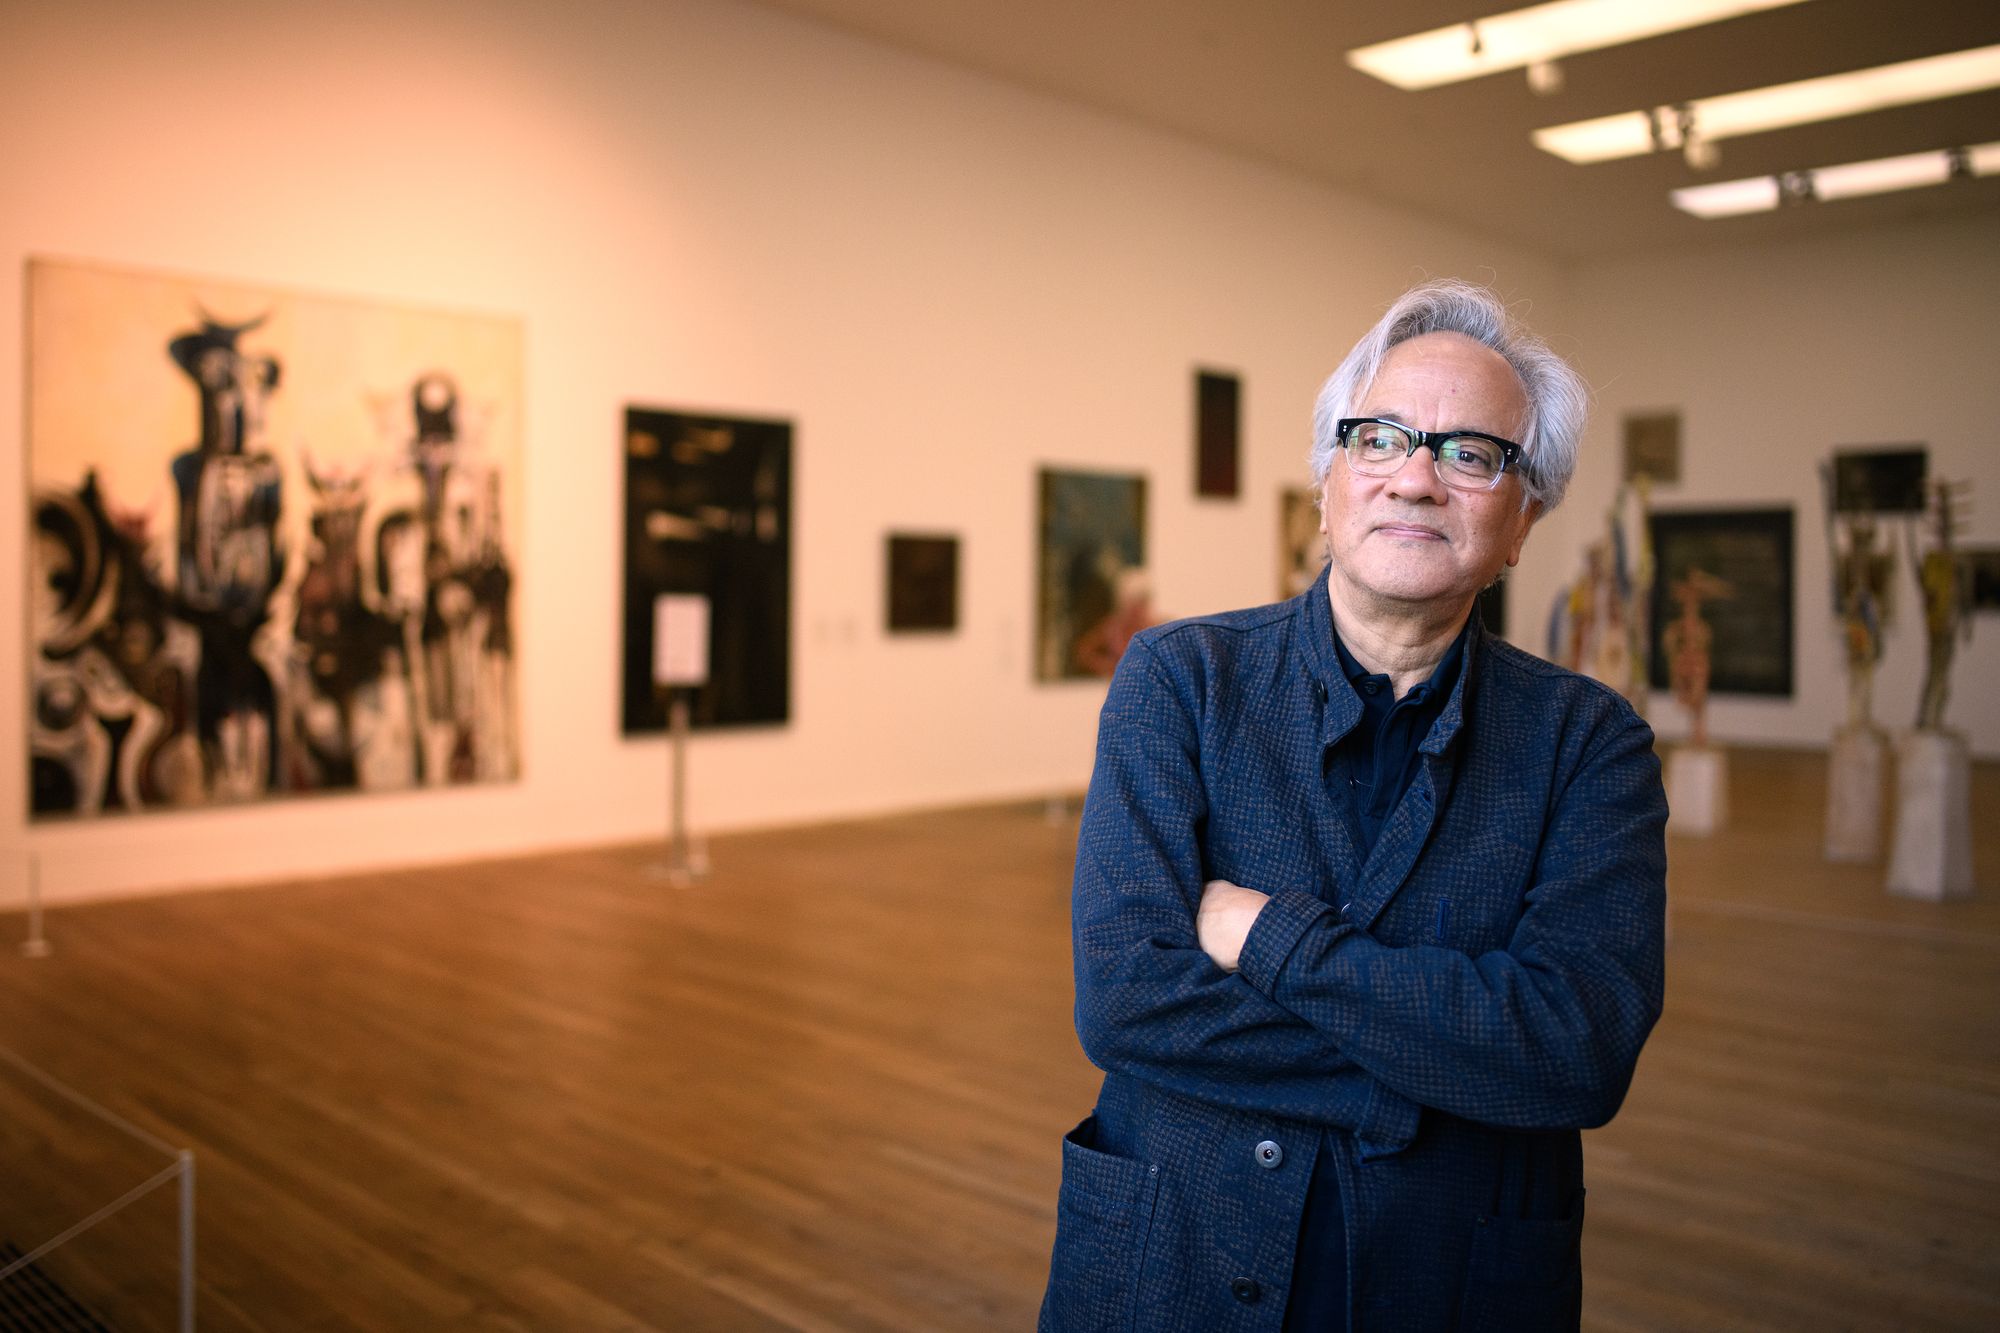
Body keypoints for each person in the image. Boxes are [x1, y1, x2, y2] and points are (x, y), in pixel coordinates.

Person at [1040, 279, 1667, 1332]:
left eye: (1469, 454)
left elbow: (1575, 1049)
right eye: (1379, 438)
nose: (1414, 478)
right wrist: (1444, 1067)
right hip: (1171, 1261)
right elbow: (1124, 996)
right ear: (1328, 480)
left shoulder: (1588, 744)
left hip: (1446, 1281)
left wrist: (1267, 939)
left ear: (1521, 520)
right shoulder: (1177, 681)